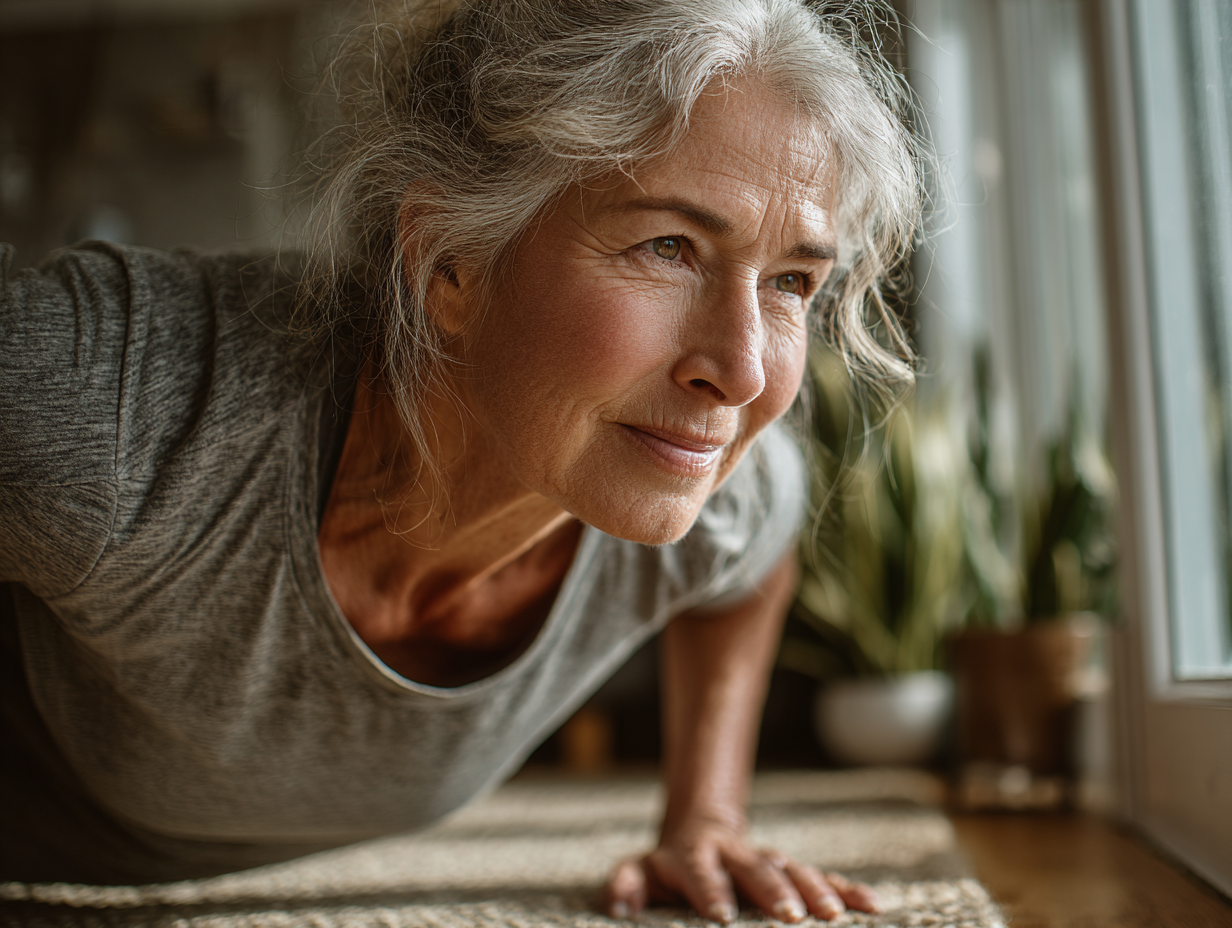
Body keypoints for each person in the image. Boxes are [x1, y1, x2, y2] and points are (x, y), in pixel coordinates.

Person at [0, 0, 921, 920]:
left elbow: (754, 559)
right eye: (669, 247)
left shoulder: (709, 489)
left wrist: (708, 813)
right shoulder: (113, 406)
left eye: (790, 282)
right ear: (448, 261)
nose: (743, 371)